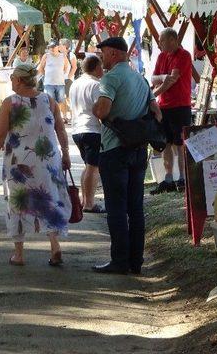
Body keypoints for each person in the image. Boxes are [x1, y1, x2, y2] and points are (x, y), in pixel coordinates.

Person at [0, 63, 72, 267]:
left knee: (18, 202)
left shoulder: (10, 102)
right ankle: (55, 245)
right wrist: (66, 153)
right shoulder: (48, 99)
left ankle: (19, 254)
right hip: (48, 158)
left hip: (20, 162)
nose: (11, 81)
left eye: (13, 77)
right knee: (49, 197)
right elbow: (60, 129)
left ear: (20, 80)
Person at [92, 37, 162, 275]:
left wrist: (96, 109)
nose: (102, 59)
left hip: (114, 149)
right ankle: (136, 261)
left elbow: (102, 111)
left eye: (103, 54)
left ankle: (119, 260)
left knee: (116, 208)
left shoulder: (110, 78)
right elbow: (157, 113)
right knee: (136, 208)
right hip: (139, 149)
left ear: (112, 53)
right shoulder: (140, 79)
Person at [150, 28, 193, 194]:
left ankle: (182, 177)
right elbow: (154, 78)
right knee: (165, 143)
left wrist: (153, 95)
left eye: (163, 40)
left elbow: (173, 80)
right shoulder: (161, 56)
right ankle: (168, 178)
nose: (160, 44)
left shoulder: (183, 55)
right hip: (164, 107)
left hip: (180, 105)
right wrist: (161, 78)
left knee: (180, 143)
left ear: (173, 40)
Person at [70, 56, 104, 213]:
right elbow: (100, 108)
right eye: (101, 67)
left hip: (77, 129)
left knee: (88, 167)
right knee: (93, 168)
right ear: (96, 67)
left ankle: (85, 201)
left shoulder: (75, 83)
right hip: (91, 129)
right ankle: (89, 203)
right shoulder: (96, 85)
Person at [37, 40, 69, 116]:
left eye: (53, 47)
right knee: (50, 101)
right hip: (49, 83)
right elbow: (41, 68)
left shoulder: (63, 56)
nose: (51, 49)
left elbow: (66, 68)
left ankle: (63, 116)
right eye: (50, 47)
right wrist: (47, 75)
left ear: (57, 47)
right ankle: (51, 116)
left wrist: (59, 74)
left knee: (61, 101)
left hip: (60, 83)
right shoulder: (46, 56)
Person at [59, 38, 77, 123]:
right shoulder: (58, 55)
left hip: (68, 80)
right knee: (62, 99)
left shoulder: (71, 55)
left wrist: (69, 77)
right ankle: (64, 116)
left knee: (69, 98)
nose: (58, 46)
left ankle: (73, 116)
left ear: (65, 46)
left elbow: (74, 67)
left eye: (60, 44)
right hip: (59, 80)